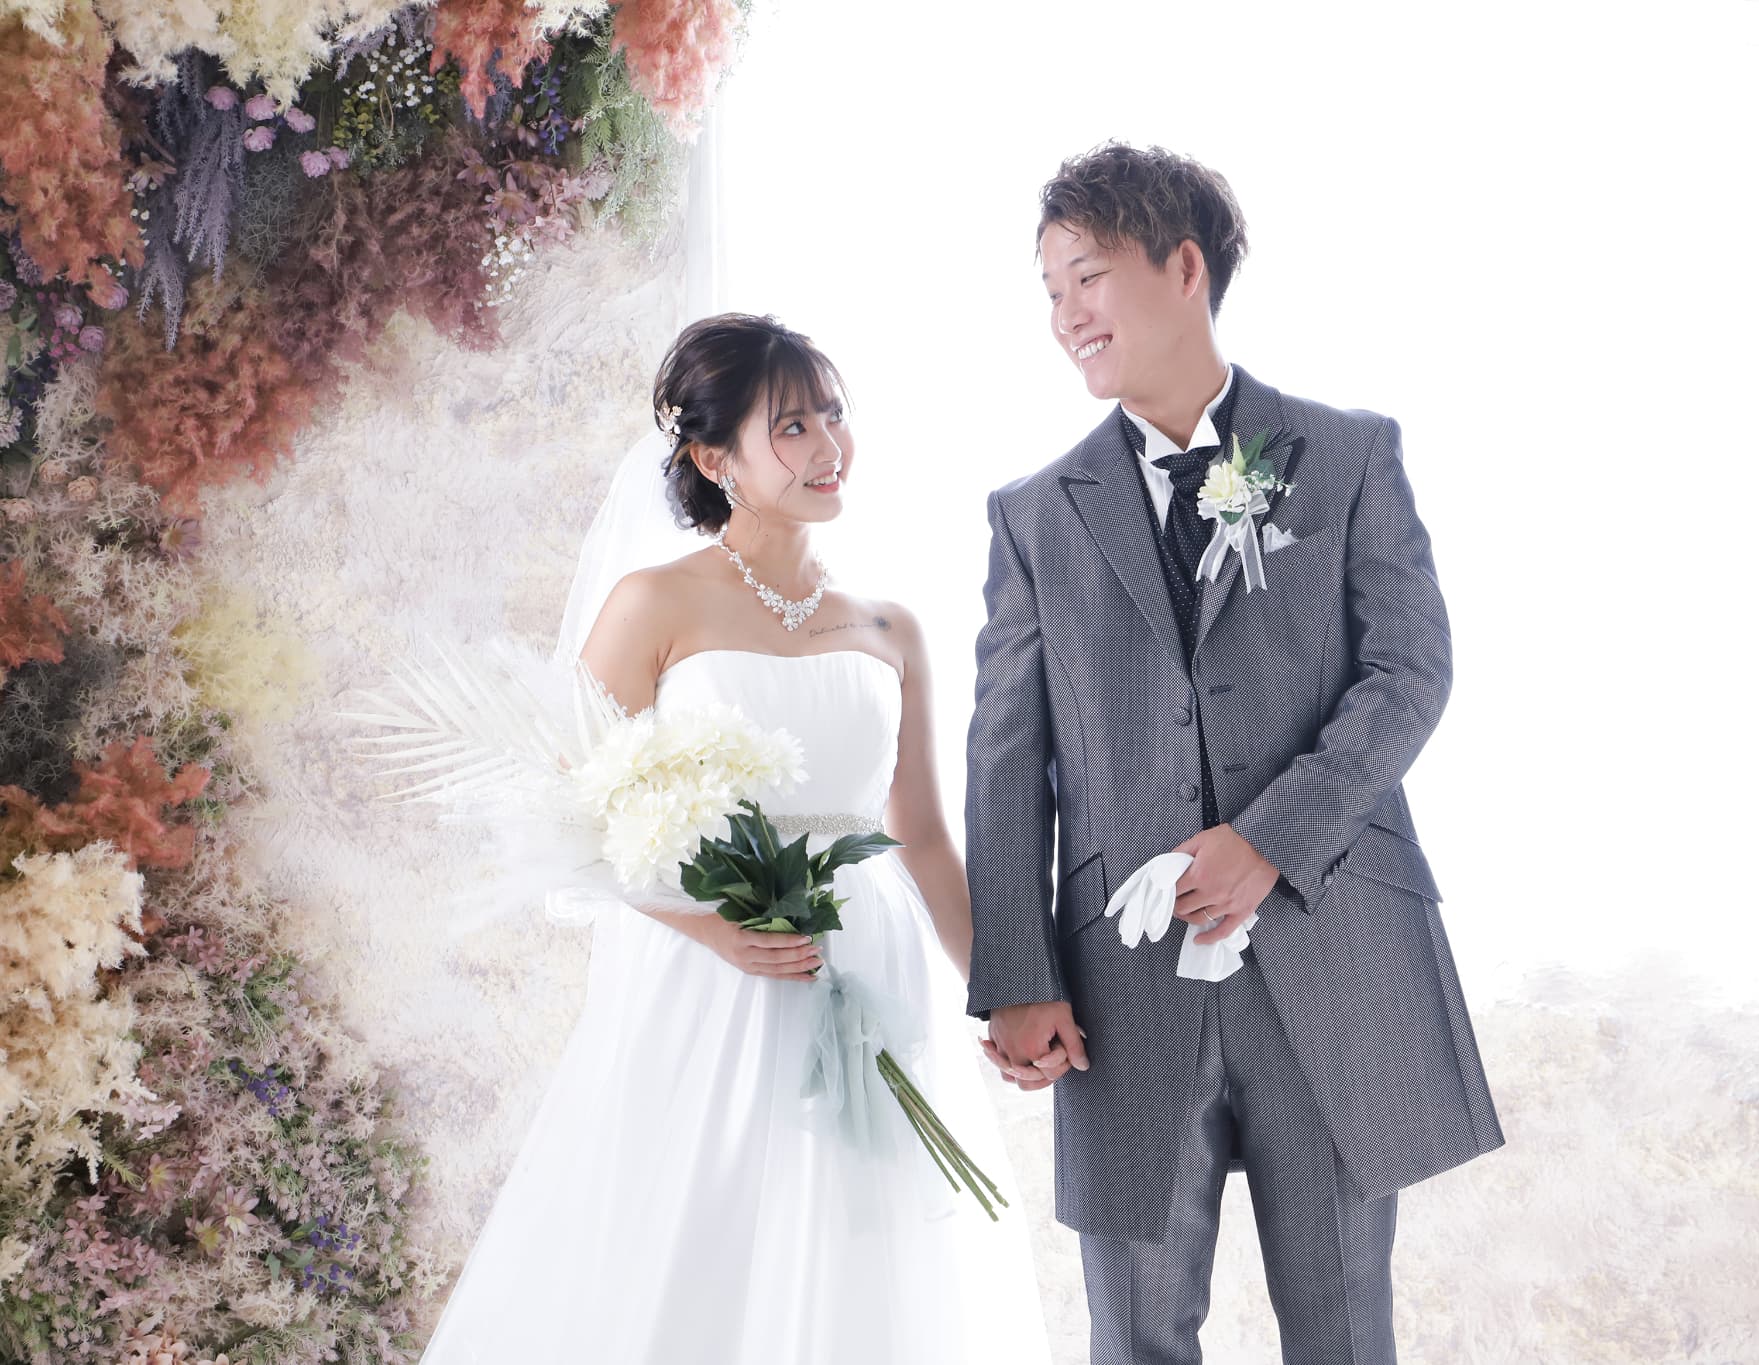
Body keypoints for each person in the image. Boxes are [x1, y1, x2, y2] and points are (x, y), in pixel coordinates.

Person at [418, 312, 1051, 1365]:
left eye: (834, 416)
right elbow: (568, 811)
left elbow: (926, 840)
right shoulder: (654, 603)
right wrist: (708, 926)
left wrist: (1004, 992)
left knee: (866, 1253)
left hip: (872, 968)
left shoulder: (888, 627)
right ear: (716, 460)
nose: (829, 447)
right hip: (715, 973)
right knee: (700, 1240)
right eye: (792, 426)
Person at [965, 141, 1507, 1364]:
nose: (1065, 315)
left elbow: (1408, 675)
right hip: (1119, 987)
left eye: (1086, 278)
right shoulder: (1033, 516)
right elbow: (1004, 756)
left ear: (1183, 268)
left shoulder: (1346, 454)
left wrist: (1267, 838)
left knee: (1341, 1331)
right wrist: (1015, 971)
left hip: (1331, 951)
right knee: (1132, 1335)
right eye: (1048, 291)